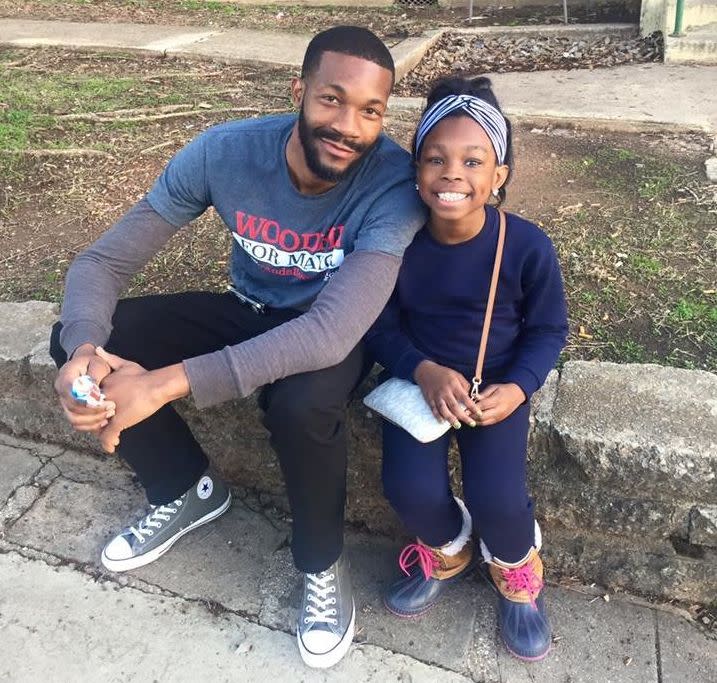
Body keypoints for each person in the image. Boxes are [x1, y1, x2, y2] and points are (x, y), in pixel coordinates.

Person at [49, 26, 426, 669]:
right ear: (299, 91)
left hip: (325, 332)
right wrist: (84, 352)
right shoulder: (225, 153)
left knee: (302, 405)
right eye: (332, 100)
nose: (348, 126)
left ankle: (319, 563)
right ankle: (185, 489)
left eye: (370, 111)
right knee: (84, 336)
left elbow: (331, 333)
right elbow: (103, 262)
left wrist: (163, 382)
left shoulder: (393, 185)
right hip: (244, 310)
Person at [365, 76, 568, 662]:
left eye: (472, 160)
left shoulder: (526, 246)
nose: (452, 172)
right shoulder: (396, 244)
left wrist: (518, 387)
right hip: (419, 384)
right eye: (436, 158)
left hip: (496, 389)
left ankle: (514, 571)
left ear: (498, 175)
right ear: (417, 168)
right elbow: (377, 325)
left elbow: (548, 329)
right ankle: (447, 549)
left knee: (499, 498)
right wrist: (421, 369)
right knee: (407, 486)